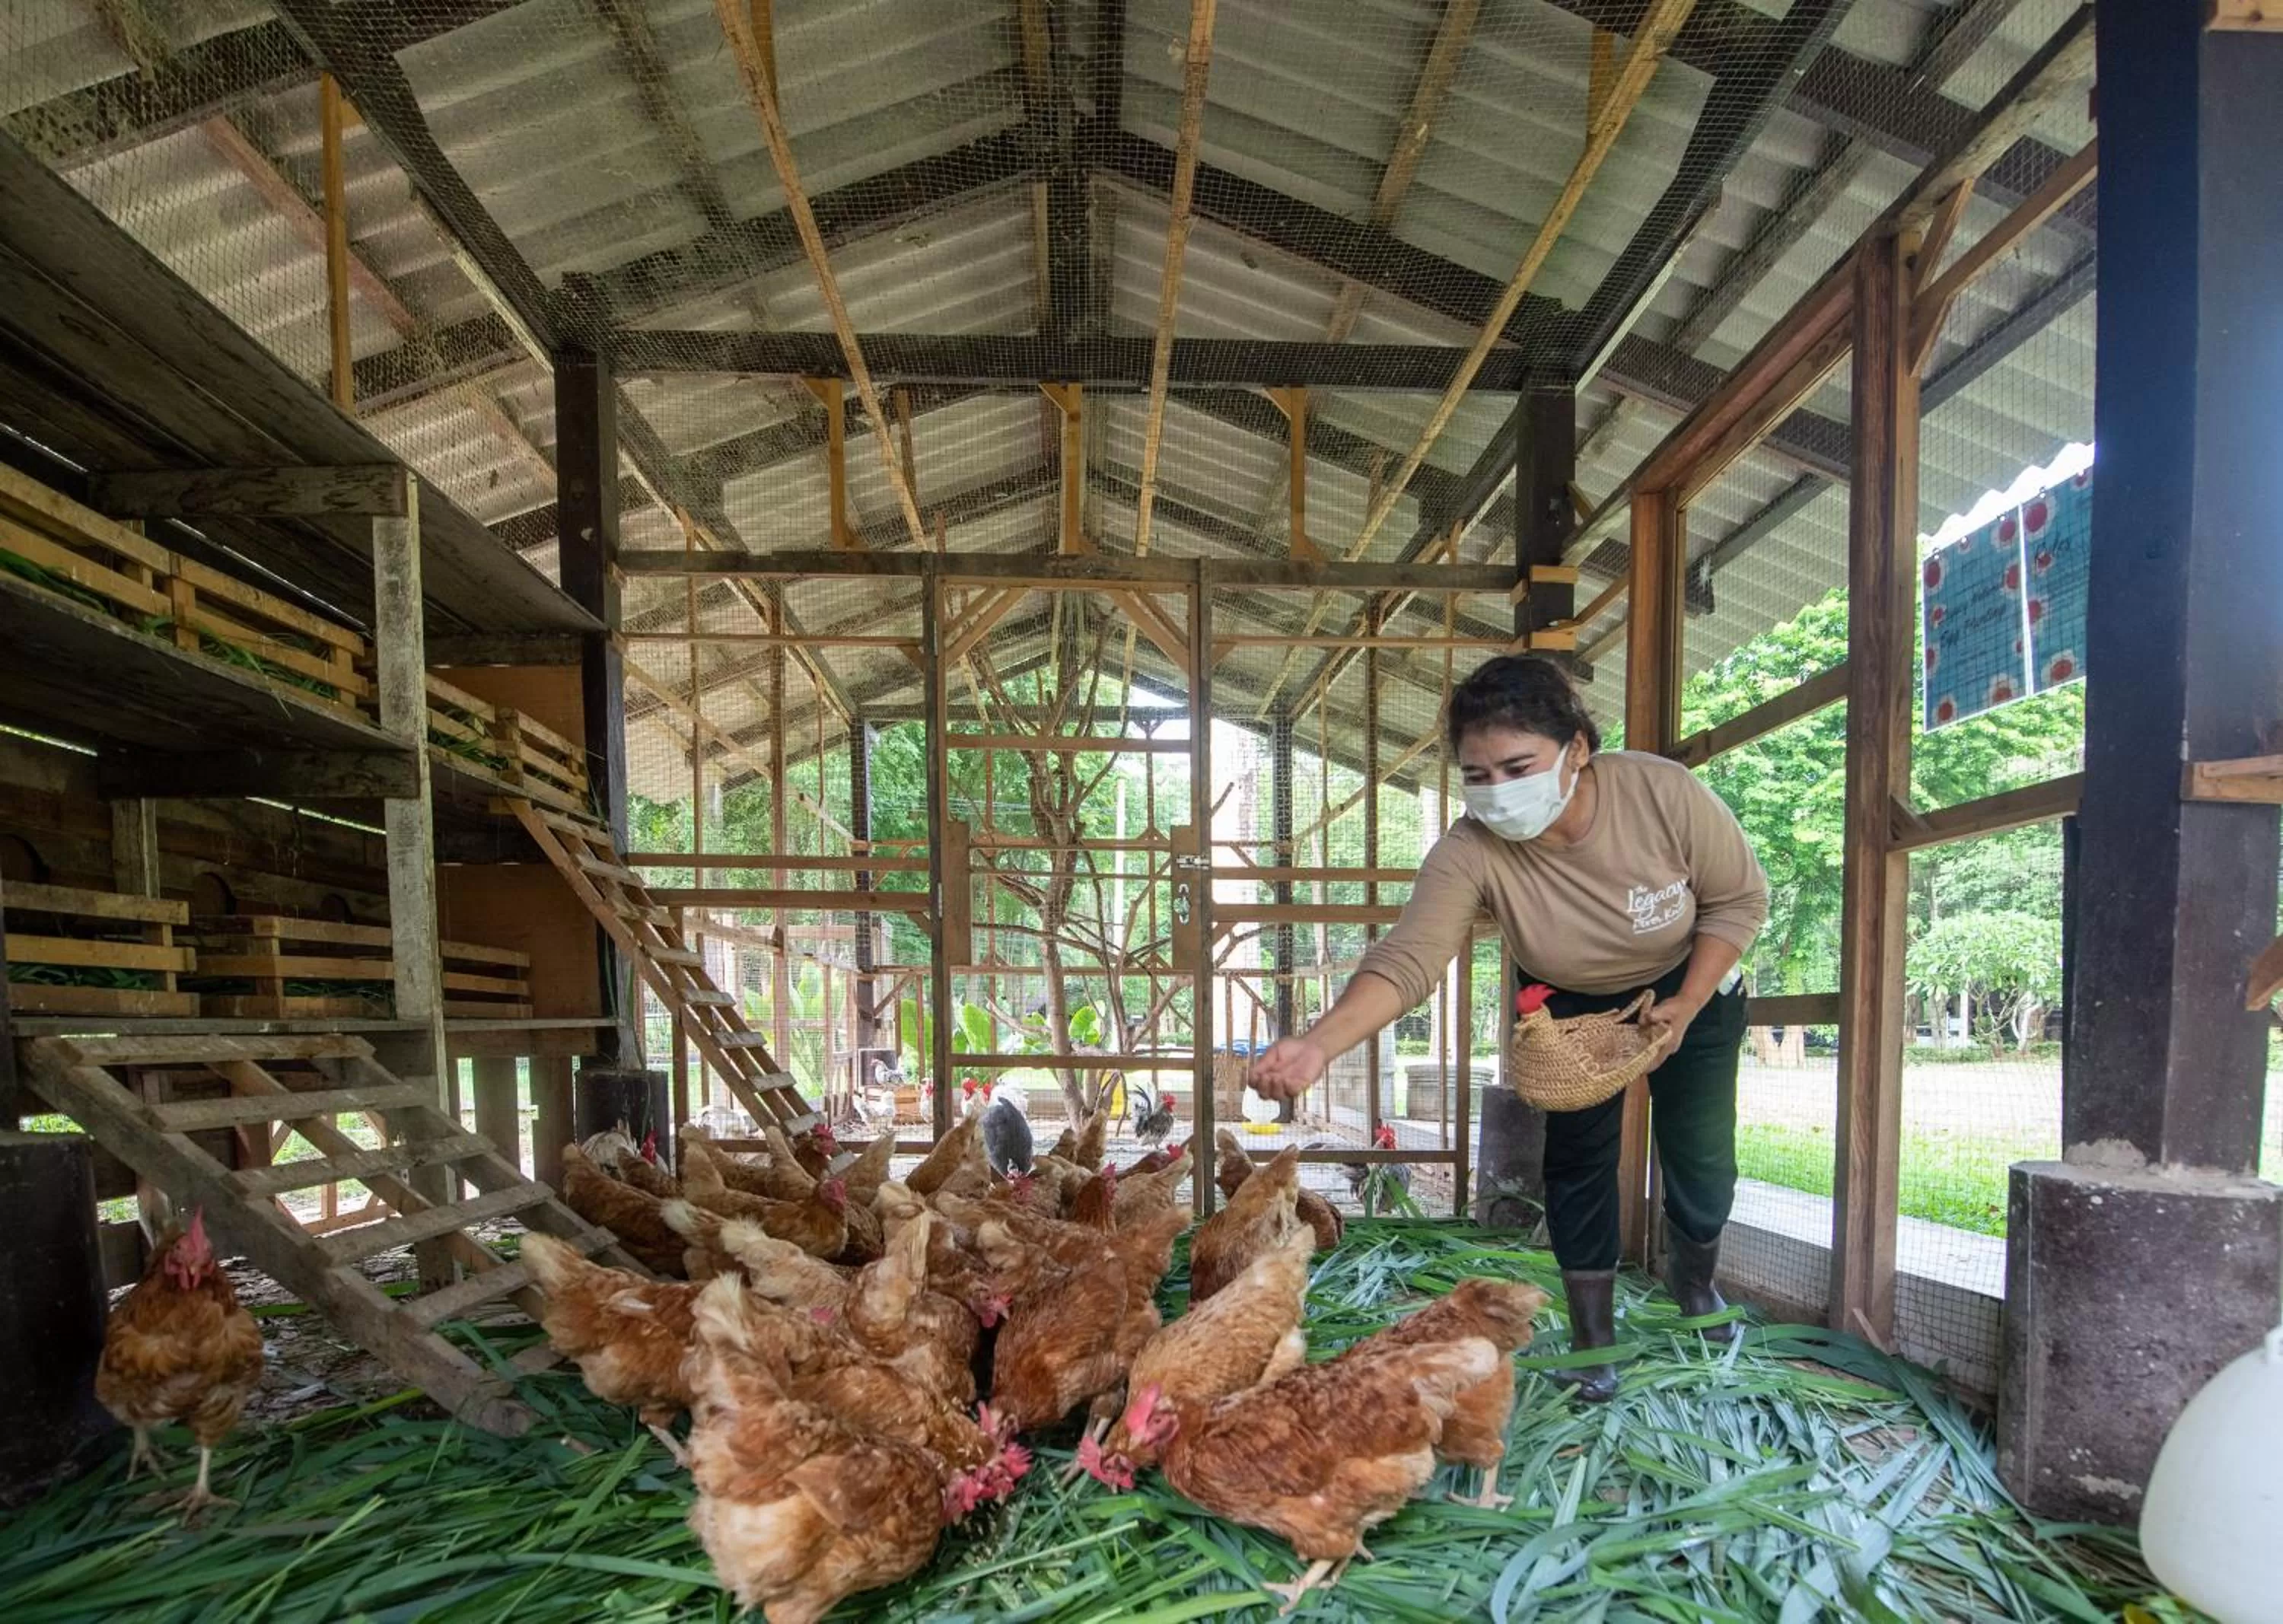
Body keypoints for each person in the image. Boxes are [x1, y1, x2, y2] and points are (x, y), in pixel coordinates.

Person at [1247, 656, 1768, 1403]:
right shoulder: (1470, 850)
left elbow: (1738, 899)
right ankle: (1594, 1343)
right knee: (1578, 1163)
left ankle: (1696, 1283)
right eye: (1477, 774)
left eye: (1518, 766)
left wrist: (1686, 1001)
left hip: (1692, 984)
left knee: (1702, 1153)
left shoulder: (1660, 792)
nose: (1498, 791)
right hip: (1571, 1004)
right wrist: (1317, 1044)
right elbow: (1409, 958)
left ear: (1577, 749)